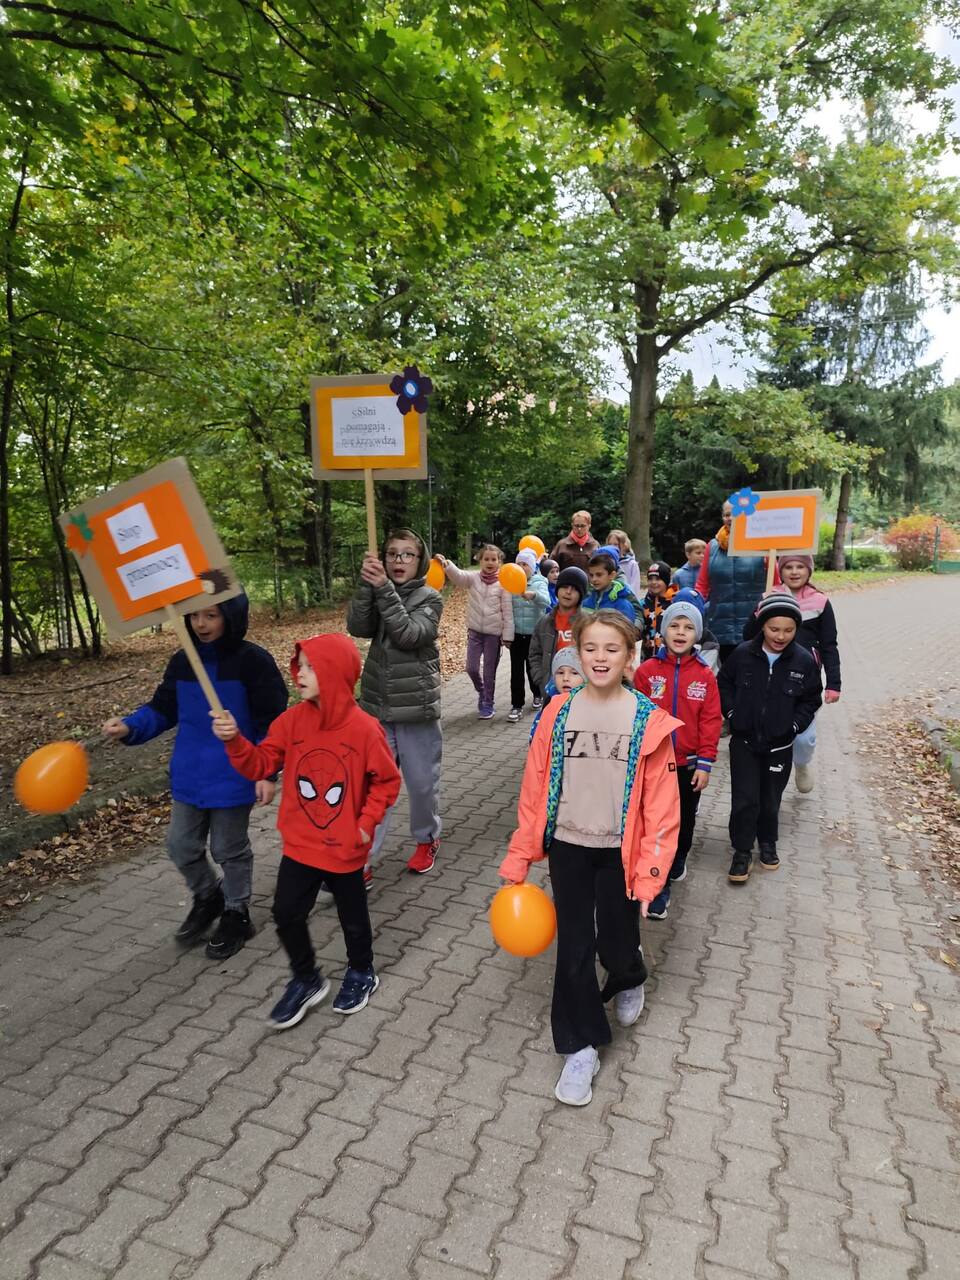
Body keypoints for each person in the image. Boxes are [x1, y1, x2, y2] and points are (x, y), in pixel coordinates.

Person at [500, 610, 681, 1107]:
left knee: (617, 941)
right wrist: (520, 856)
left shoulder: (648, 721)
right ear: (577, 653)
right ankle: (580, 1045)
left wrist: (650, 875)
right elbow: (534, 789)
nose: (600, 658)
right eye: (590, 648)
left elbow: (662, 809)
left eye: (612, 649)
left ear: (630, 657)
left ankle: (629, 973)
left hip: (620, 852)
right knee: (574, 947)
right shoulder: (557, 714)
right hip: (569, 847)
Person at [212, 634, 401, 1027]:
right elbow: (260, 764)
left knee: (352, 918)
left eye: (311, 667)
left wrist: (365, 824)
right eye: (299, 665)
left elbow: (387, 781)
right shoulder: (291, 722)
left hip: (345, 845)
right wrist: (234, 742)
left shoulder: (365, 730)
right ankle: (306, 977)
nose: (299, 673)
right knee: (285, 913)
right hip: (301, 843)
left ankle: (362, 971)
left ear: (334, 673)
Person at [103, 593, 288, 959]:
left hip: (235, 774)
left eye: (211, 615)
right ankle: (208, 896)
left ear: (231, 616)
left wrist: (266, 770)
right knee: (180, 846)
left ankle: (236, 912)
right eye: (193, 615)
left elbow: (272, 723)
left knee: (228, 849)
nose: (201, 624)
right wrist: (129, 727)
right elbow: (162, 709)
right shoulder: (182, 662)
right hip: (190, 775)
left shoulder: (253, 662)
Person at [346, 528, 443, 875]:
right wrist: (366, 585)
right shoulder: (378, 588)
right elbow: (358, 626)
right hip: (378, 707)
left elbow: (409, 635)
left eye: (407, 554)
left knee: (421, 785)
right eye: (391, 554)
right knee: (374, 786)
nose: (398, 560)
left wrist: (383, 589)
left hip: (416, 709)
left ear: (420, 561)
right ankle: (362, 856)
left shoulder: (430, 599)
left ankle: (427, 838)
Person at [718, 593, 822, 884]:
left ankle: (767, 841)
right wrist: (732, 712)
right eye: (774, 629)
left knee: (770, 799)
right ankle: (742, 851)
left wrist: (794, 725)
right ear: (762, 625)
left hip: (780, 745)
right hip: (744, 743)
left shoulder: (804, 661)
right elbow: (723, 683)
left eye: (788, 630)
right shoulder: (742, 654)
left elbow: (812, 699)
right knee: (745, 799)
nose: (780, 636)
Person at [634, 599, 722, 919]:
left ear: (697, 634)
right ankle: (658, 887)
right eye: (674, 625)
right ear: (662, 630)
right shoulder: (646, 672)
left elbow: (711, 722)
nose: (680, 632)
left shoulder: (705, 676)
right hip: (654, 765)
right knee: (655, 825)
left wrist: (705, 763)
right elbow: (635, 717)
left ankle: (679, 856)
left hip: (688, 765)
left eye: (688, 627)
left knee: (683, 823)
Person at [744, 554, 841, 795]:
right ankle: (766, 779)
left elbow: (829, 645)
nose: (794, 571)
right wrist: (759, 611)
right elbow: (748, 636)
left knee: (803, 737)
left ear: (809, 571)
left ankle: (802, 763)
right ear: (781, 570)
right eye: (788, 566)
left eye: (800, 566)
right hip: (770, 676)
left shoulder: (820, 602)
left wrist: (834, 683)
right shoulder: (769, 596)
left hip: (805, 680)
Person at [436, 544, 513, 720]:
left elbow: (508, 612)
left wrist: (508, 636)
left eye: (494, 559)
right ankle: (481, 690)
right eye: (486, 559)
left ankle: (488, 703)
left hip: (493, 635)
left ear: (499, 562)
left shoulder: (504, 584)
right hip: (475, 632)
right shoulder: (473, 578)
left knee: (489, 672)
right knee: (471, 668)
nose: (490, 562)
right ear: (480, 560)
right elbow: (459, 576)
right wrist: (447, 564)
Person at [696, 500, 766, 663]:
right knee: (725, 674)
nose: (731, 518)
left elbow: (774, 585)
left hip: (753, 627)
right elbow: (702, 585)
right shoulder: (711, 547)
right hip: (719, 627)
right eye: (727, 514)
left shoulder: (761, 545)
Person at [529, 565, 589, 695]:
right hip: (551, 689)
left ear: (581, 594)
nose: (568, 592)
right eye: (564, 587)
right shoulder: (544, 622)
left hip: (582, 690)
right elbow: (535, 653)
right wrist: (541, 678)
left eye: (574, 589)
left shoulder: (588, 622)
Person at [507, 549, 551, 723]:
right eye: (518, 564)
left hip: (535, 635)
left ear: (532, 567)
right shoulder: (510, 583)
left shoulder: (540, 582)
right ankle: (516, 705)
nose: (521, 567)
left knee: (532, 669)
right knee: (516, 672)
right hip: (517, 635)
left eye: (525, 564)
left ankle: (537, 694)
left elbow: (546, 602)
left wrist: (533, 595)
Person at [582, 548, 638, 623]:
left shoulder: (622, 604)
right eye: (591, 575)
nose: (594, 579)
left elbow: (627, 629)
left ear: (612, 575)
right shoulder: (586, 602)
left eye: (599, 575)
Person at [638, 560, 677, 658]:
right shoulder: (643, 603)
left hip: (669, 655)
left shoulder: (674, 603)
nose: (653, 582)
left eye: (658, 579)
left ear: (666, 580)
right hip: (647, 656)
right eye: (650, 579)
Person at [605, 529, 642, 596]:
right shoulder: (605, 563)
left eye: (615, 544)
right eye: (610, 544)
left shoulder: (632, 564)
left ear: (624, 545)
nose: (612, 547)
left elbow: (635, 588)